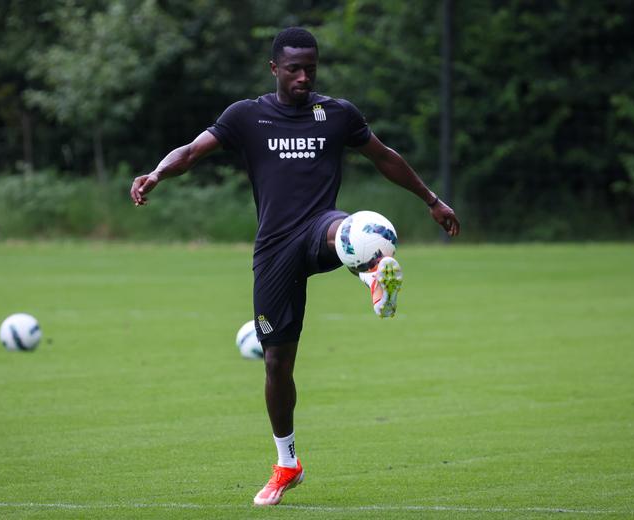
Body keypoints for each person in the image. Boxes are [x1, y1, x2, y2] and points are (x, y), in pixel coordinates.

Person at [130, 27, 459, 506]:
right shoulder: (247, 116)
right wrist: (157, 173)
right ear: (274, 70)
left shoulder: (338, 114)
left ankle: (373, 274)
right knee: (278, 363)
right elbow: (193, 151)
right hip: (274, 250)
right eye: (294, 69)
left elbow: (384, 157)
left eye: (311, 68)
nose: (304, 77)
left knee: (359, 226)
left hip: (322, 229)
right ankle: (287, 463)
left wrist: (432, 200)